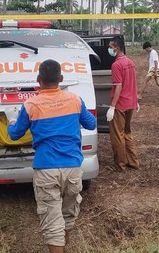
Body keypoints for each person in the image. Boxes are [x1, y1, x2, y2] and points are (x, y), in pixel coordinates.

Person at [7, 59, 97, 253]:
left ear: (38, 80)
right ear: (61, 79)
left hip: (46, 169)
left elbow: (14, 134)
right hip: (73, 168)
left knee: (52, 222)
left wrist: (11, 120)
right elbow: (91, 124)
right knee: (68, 216)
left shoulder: (31, 104)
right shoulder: (75, 99)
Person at [106, 36, 140, 172]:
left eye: (110, 47)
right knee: (127, 132)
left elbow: (118, 86)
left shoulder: (116, 65)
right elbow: (133, 83)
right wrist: (135, 101)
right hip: (130, 103)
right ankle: (133, 161)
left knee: (117, 135)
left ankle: (120, 165)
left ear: (117, 48)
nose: (109, 49)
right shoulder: (130, 62)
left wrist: (112, 107)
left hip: (120, 104)